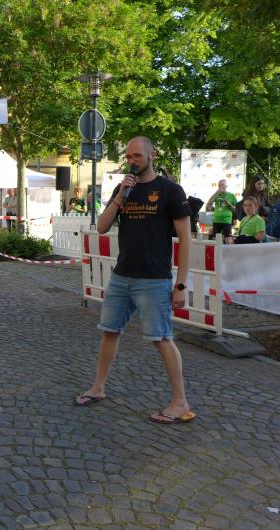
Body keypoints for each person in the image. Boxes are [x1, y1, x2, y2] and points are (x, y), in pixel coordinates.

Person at [74, 136, 195, 425]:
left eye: (137, 156)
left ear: (152, 156)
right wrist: (119, 196)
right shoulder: (123, 189)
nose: (132, 161)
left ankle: (180, 402)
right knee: (109, 331)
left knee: (161, 338)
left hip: (153, 279)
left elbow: (186, 240)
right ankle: (98, 387)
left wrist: (180, 284)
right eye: (128, 157)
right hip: (122, 275)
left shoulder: (170, 190)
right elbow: (102, 228)